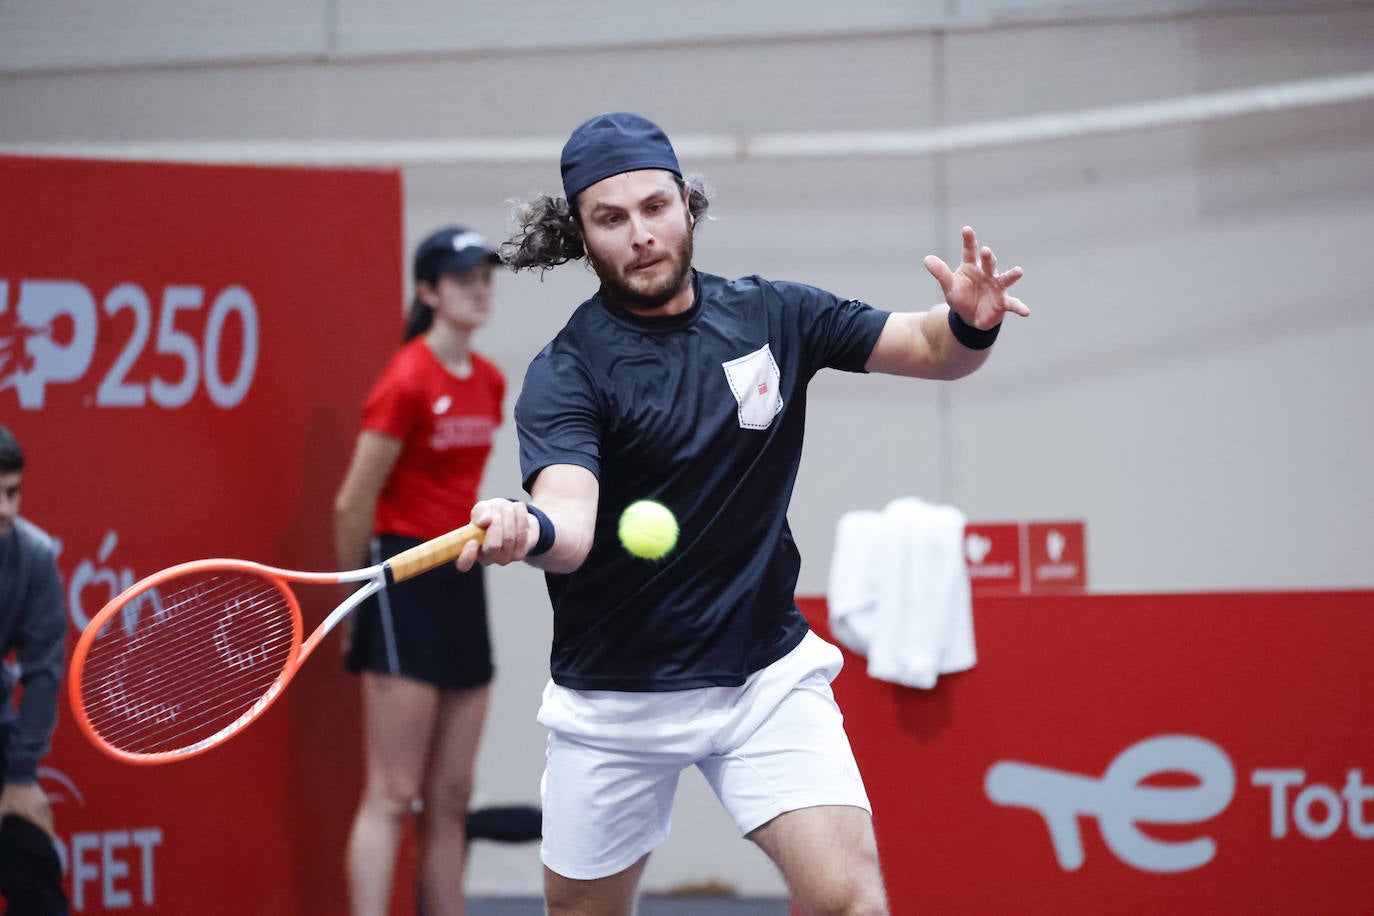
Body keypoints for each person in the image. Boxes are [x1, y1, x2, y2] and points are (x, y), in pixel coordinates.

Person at [455, 111, 1030, 916]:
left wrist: (972, 320)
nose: (641, 234)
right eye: (610, 219)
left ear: (687, 205)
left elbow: (934, 350)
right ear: (581, 236)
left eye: (655, 207)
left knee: (850, 901)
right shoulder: (568, 370)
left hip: (762, 673)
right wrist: (530, 529)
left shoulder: (772, 316)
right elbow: (571, 522)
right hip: (617, 696)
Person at [334, 226, 506, 916]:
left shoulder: (490, 380)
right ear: (428, 292)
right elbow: (352, 502)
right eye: (463, 277)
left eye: (486, 275)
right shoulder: (406, 378)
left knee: (453, 794)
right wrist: (357, 607)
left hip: (461, 573)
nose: (479, 288)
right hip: (399, 577)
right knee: (392, 790)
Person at [0, 424, 71, 916]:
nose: (6, 509)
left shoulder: (34, 556)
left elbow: (42, 673)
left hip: (4, 756)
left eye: (12, 492)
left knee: (33, 863)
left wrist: (21, 779)